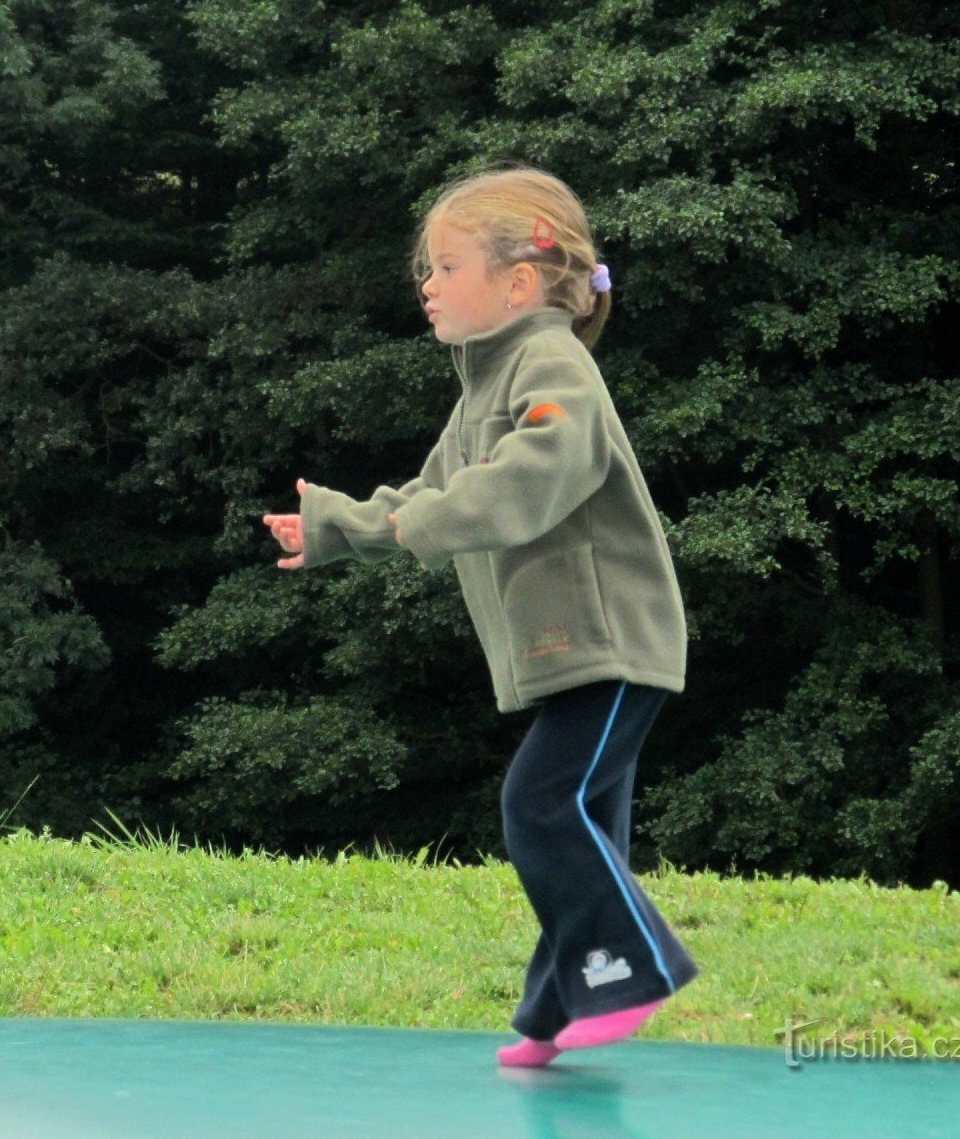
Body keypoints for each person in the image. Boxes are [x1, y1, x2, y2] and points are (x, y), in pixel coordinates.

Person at [262, 166, 695, 1069]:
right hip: (574, 649)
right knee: (584, 830)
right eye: (427, 270)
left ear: (519, 283)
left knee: (540, 807)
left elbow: (535, 472)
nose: (427, 284)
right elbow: (430, 493)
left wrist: (409, 522)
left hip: (613, 639)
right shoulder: (481, 388)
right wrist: (337, 526)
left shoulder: (551, 364)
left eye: (447, 267)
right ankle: (554, 1013)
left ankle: (634, 968)